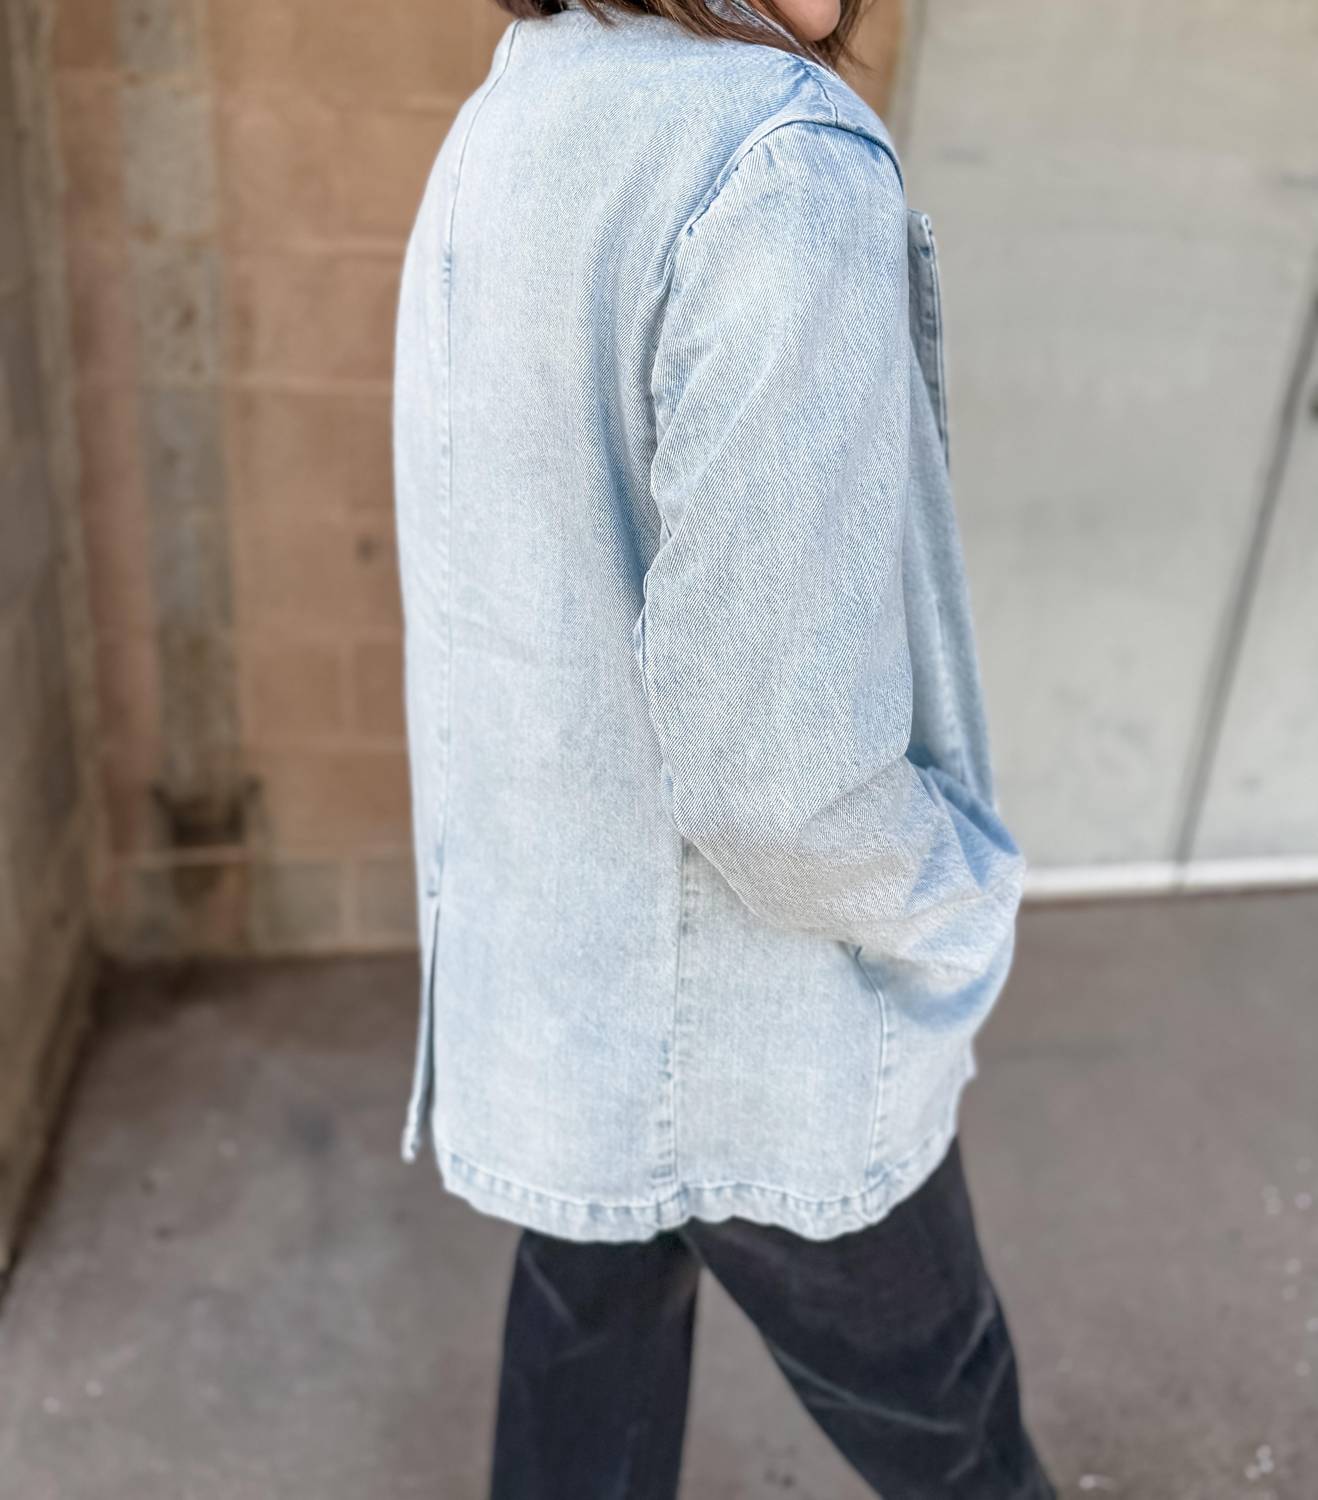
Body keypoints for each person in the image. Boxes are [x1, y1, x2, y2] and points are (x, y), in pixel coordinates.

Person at [392, 0, 1054, 1494]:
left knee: (585, 1380)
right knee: (947, 1423)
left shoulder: (508, 119)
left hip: (568, 992)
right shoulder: (776, 162)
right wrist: (952, 901)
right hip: (760, 1021)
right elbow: (783, 781)